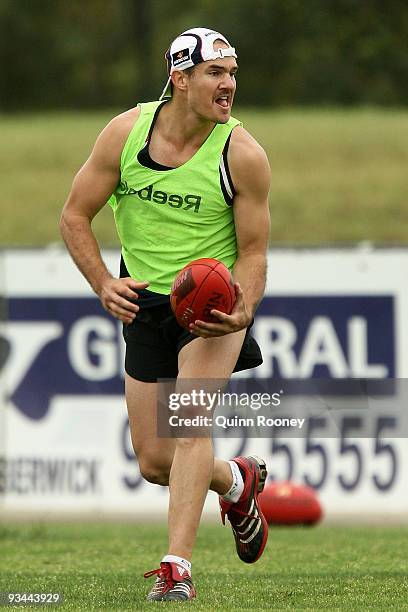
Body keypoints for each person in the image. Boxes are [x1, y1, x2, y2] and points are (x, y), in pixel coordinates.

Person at [60, 27, 271, 602]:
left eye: (231, 73)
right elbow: (74, 216)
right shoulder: (124, 135)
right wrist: (104, 282)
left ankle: (176, 567)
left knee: (188, 426)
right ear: (179, 78)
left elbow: (253, 253)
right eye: (215, 73)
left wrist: (243, 309)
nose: (228, 85)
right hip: (147, 303)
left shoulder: (241, 153)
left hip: (212, 308)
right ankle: (237, 480)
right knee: (155, 461)